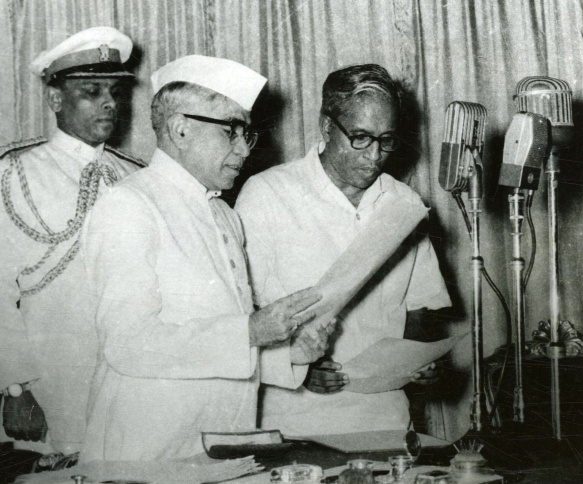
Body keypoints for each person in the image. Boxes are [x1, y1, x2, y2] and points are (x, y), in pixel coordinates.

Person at [79, 55, 331, 462]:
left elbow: (218, 348)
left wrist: (289, 352)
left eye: (247, 134)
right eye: (232, 131)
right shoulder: (130, 205)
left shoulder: (224, 216)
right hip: (148, 453)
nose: (245, 148)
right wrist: (250, 331)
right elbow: (128, 344)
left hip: (220, 446)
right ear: (181, 129)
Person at [235, 64, 452, 436]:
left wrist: (420, 361)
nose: (375, 156)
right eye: (361, 138)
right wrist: (296, 368)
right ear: (326, 126)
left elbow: (420, 307)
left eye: (387, 140)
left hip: (387, 420)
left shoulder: (403, 202)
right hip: (292, 420)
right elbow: (239, 316)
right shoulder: (266, 194)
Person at [0, 27, 145, 455]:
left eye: (115, 91)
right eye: (91, 90)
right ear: (56, 99)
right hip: (55, 383)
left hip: (133, 380)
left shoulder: (136, 176)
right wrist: (15, 389)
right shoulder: (16, 173)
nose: (109, 102)